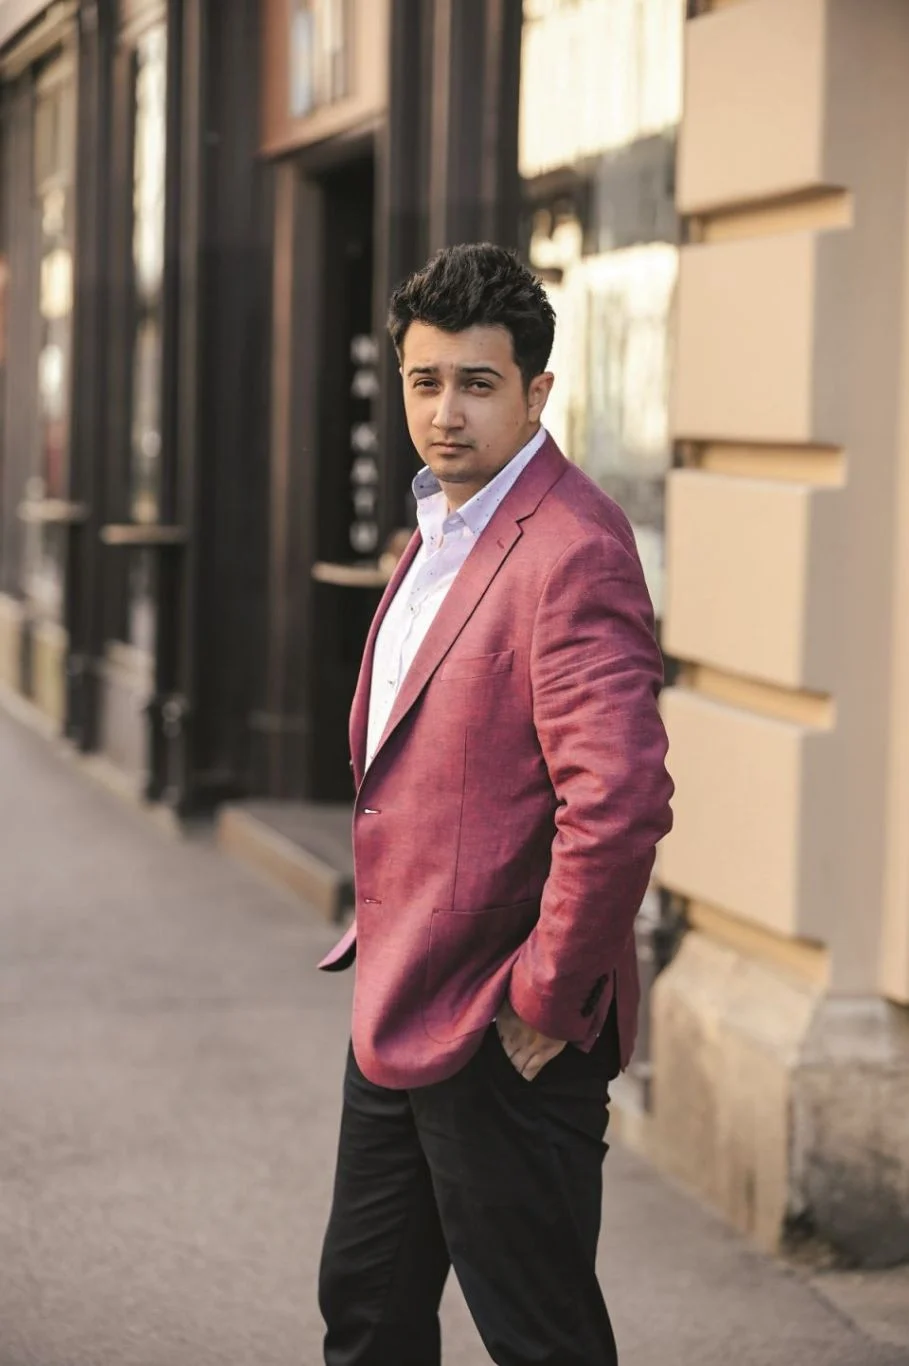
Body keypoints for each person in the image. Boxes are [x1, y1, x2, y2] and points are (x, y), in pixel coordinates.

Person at [317, 243, 674, 1366]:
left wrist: (545, 997)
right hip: (398, 996)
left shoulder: (573, 549)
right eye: (425, 382)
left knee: (540, 1339)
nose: (445, 413)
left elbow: (617, 802)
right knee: (366, 1317)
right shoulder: (440, 528)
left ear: (536, 392)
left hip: (505, 1025)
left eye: (477, 384)